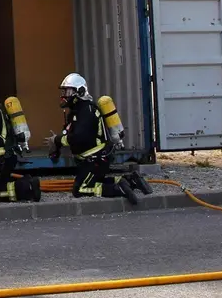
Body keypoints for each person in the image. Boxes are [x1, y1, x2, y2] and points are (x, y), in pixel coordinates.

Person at [48, 72, 153, 204]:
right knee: (96, 181)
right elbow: (72, 134)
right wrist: (57, 146)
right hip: (93, 160)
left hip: (95, 160)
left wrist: (57, 140)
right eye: (64, 92)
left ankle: (118, 189)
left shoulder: (86, 111)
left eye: (68, 91)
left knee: (80, 189)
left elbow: (79, 138)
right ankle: (130, 180)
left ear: (80, 91)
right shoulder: (78, 111)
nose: (64, 96)